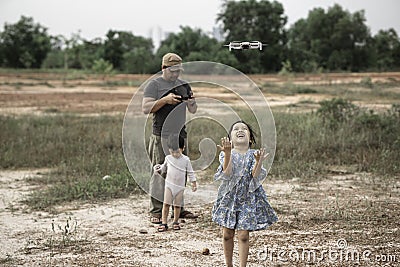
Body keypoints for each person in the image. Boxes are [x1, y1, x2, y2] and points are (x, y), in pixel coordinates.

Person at [212, 121, 278, 267]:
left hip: (248, 199)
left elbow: (255, 176)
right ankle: (228, 264)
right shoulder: (226, 154)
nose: (240, 130)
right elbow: (227, 173)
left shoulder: (253, 154)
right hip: (229, 199)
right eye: (235, 129)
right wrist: (228, 153)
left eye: (244, 129)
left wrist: (259, 162)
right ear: (230, 138)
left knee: (243, 235)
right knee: (227, 234)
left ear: (250, 139)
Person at [142, 52, 198, 224]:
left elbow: (194, 110)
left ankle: (178, 209)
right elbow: (146, 108)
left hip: (180, 135)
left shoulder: (183, 85)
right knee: (160, 172)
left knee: (180, 172)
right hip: (161, 135)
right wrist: (165, 100)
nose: (175, 74)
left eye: (178, 71)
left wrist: (191, 102)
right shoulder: (154, 85)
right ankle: (157, 211)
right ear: (163, 68)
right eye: (172, 71)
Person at [153, 135, 197, 232]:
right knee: (166, 204)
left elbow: (190, 172)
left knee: (177, 205)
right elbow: (163, 168)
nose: (175, 154)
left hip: (180, 187)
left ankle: (175, 221)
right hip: (169, 186)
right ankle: (164, 222)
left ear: (183, 148)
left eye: (177, 151)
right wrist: (158, 169)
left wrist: (193, 182)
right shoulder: (168, 158)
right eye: (172, 152)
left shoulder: (186, 160)